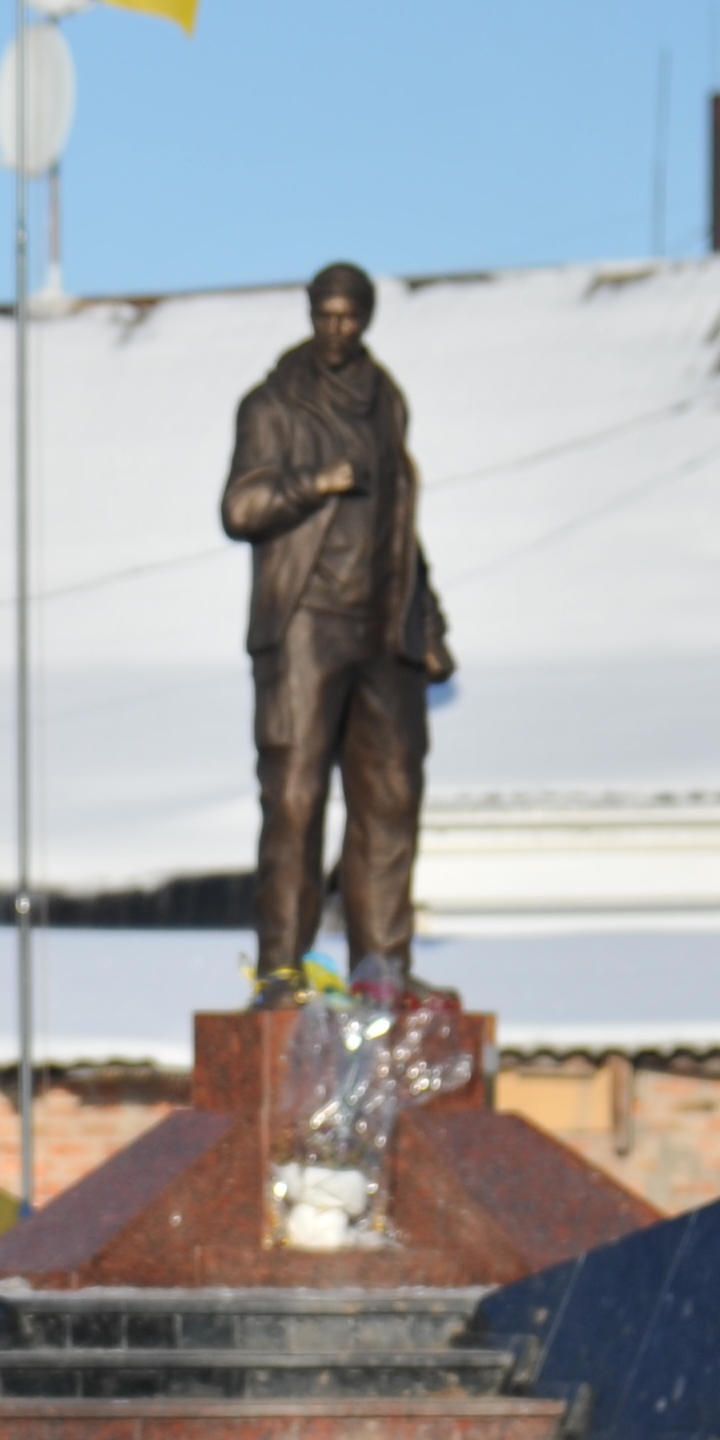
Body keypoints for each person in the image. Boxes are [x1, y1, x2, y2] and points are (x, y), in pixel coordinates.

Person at [219, 260, 452, 1005]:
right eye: (325, 314)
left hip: (384, 625)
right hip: (305, 624)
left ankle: (381, 967)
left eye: (349, 316)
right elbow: (241, 508)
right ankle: (282, 971)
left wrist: (430, 617)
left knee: (390, 794)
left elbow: (399, 526)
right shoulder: (272, 405)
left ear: (367, 318)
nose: (336, 329)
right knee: (293, 796)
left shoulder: (388, 404)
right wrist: (316, 481)